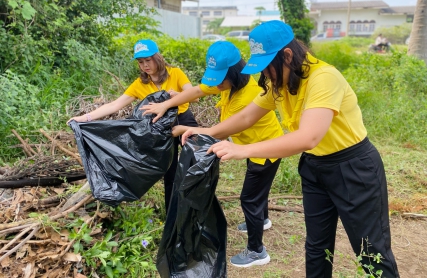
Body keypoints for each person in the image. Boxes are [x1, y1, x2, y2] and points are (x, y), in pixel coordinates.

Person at [181, 21, 400, 277]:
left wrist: (244, 150)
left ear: (287, 56)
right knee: (317, 246)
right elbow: (245, 118)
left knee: (370, 250)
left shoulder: (323, 78)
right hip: (315, 169)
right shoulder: (281, 84)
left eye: (268, 69)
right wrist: (206, 132)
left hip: (353, 169)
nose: (266, 77)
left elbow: (308, 137)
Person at [142, 41, 284, 268]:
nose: (215, 84)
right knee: (257, 192)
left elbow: (221, 131)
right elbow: (198, 90)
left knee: (250, 198)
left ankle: (257, 251)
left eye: (220, 79)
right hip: (251, 144)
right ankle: (262, 219)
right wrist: (166, 104)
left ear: (234, 74)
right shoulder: (226, 84)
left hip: (264, 150)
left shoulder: (247, 97)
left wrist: (181, 130)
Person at [67, 39, 198, 212]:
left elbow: (195, 96)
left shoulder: (175, 73)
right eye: (141, 62)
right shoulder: (140, 84)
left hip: (183, 118)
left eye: (148, 60)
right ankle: (172, 215)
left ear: (157, 57)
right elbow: (115, 105)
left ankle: (198, 205)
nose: (145, 65)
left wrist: (178, 95)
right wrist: (85, 117)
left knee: (196, 162)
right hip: (159, 128)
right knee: (170, 171)